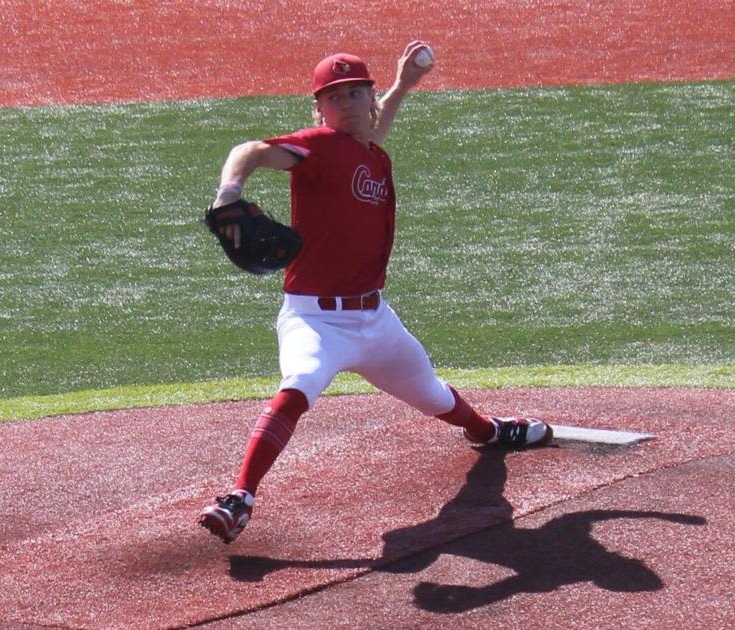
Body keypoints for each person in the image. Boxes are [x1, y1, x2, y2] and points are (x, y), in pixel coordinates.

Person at [198, 41, 553, 544]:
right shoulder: (317, 146)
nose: (344, 104)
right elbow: (248, 151)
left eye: (354, 94)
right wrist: (229, 191)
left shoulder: (367, 151)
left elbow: (370, 132)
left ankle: (488, 432)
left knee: (433, 395)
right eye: (333, 97)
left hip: (375, 320)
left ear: (369, 98)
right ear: (318, 108)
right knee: (297, 386)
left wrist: (404, 85)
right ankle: (239, 497)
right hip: (316, 320)